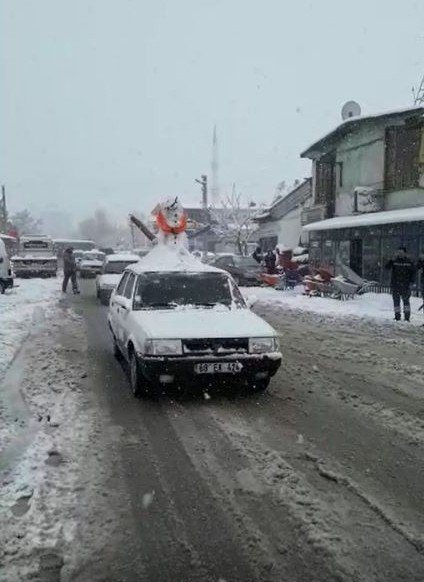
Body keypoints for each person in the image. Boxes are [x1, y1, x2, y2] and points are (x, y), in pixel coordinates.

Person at [385, 247, 415, 321]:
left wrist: (411, 282)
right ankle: (397, 316)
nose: (400, 254)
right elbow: (387, 267)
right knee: (396, 302)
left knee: (406, 301)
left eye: (401, 252)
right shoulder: (394, 261)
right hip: (395, 284)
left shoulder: (409, 262)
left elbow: (413, 272)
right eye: (399, 252)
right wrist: (391, 260)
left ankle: (407, 317)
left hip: (405, 285)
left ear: (405, 253)